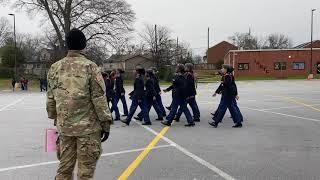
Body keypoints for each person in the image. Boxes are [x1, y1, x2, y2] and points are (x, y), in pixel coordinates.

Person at [46, 28, 113, 180]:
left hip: (64, 128)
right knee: (85, 173)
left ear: (68, 45)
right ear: (83, 45)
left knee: (64, 170)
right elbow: (99, 98)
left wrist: (55, 118)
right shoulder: (91, 67)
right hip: (88, 129)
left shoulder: (55, 68)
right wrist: (105, 123)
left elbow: (51, 98)